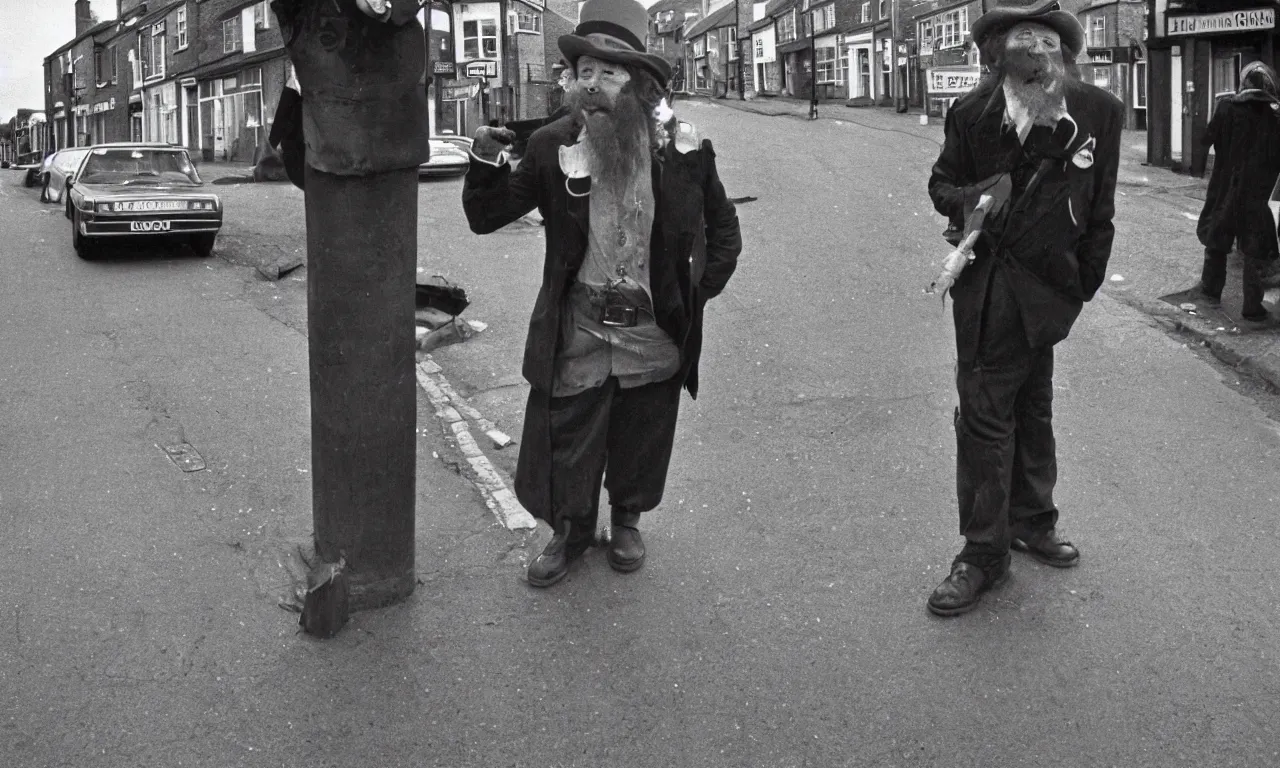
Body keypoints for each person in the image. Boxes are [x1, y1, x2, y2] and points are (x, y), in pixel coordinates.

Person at [461, 0, 742, 587]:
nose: (591, 85)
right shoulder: (551, 145)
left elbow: (725, 234)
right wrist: (485, 158)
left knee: (642, 429)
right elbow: (486, 216)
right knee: (569, 432)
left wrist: (692, 296)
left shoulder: (681, 150)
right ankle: (570, 531)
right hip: (581, 323)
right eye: (584, 72)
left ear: (638, 84)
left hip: (651, 327)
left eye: (608, 74)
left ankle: (629, 519)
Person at [925, 0, 1123, 616]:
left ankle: (1032, 520)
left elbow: (1101, 211)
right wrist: (980, 200)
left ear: (1062, 51)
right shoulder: (970, 112)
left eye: (1045, 38)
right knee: (984, 419)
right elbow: (941, 186)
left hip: (1051, 295)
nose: (1034, 47)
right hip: (986, 292)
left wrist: (1080, 286)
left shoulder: (1099, 112)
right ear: (1000, 52)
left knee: (1035, 405)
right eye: (1021, 38)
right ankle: (984, 554)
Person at [1193, 61, 1280, 323]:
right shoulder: (1274, 117)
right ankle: (1252, 307)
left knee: (1217, 238)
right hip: (1258, 193)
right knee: (1254, 248)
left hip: (1225, 185)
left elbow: (1205, 139)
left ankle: (1210, 292)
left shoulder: (1226, 108)